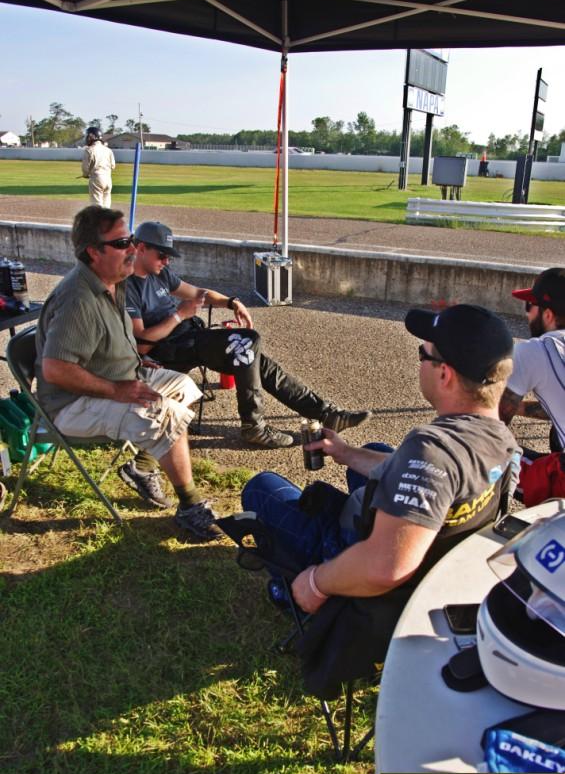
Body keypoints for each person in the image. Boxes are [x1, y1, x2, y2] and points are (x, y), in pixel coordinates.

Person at [241, 304, 519, 636]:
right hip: (440, 564)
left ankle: (295, 586)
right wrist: (345, 453)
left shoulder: (432, 450)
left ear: (445, 374)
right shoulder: (502, 440)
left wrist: (315, 583)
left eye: (423, 354)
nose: (419, 362)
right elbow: (430, 479)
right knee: (375, 452)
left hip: (369, 571)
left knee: (260, 487)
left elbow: (387, 566)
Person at [35, 205, 221, 541]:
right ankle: (190, 507)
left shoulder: (114, 280)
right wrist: (116, 389)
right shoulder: (78, 299)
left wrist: (133, 364)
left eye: (132, 240)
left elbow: (113, 340)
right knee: (164, 412)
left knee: (183, 387)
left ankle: (141, 467)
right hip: (72, 403)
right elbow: (55, 370)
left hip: (115, 379)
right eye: (123, 243)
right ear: (93, 252)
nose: (133, 249)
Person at [124, 220, 372, 455]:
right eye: (162, 255)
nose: (166, 261)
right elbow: (142, 340)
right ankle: (254, 425)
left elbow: (199, 293)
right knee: (247, 340)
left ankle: (326, 414)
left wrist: (232, 302)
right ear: (141, 248)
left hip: (190, 336)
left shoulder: (159, 274)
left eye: (169, 256)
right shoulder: (127, 286)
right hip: (167, 350)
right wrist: (179, 316)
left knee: (254, 357)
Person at [499, 268, 565, 504]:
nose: (526, 314)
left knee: (495, 457)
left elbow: (491, 428)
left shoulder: (535, 350)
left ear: (548, 315)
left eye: (529, 307)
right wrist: (519, 407)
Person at [81, 127, 116, 207]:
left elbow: (85, 168)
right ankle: (107, 219)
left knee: (96, 206)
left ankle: (98, 219)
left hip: (96, 179)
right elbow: (113, 166)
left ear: (92, 136)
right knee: (106, 205)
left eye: (88, 136)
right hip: (108, 180)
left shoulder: (89, 150)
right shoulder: (108, 150)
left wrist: (85, 174)